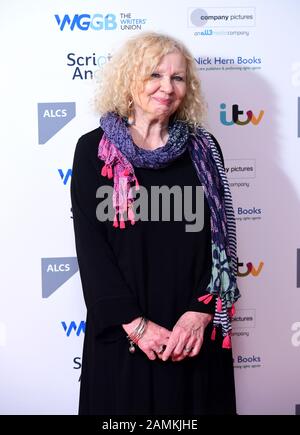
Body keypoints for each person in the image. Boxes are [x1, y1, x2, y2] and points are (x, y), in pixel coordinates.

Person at [71, 32, 240, 415]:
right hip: (124, 334)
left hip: (192, 334)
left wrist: (200, 313)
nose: (167, 87)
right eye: (154, 75)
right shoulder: (93, 150)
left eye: (177, 78)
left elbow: (222, 241)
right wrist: (136, 325)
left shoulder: (204, 149)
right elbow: (91, 249)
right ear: (130, 79)